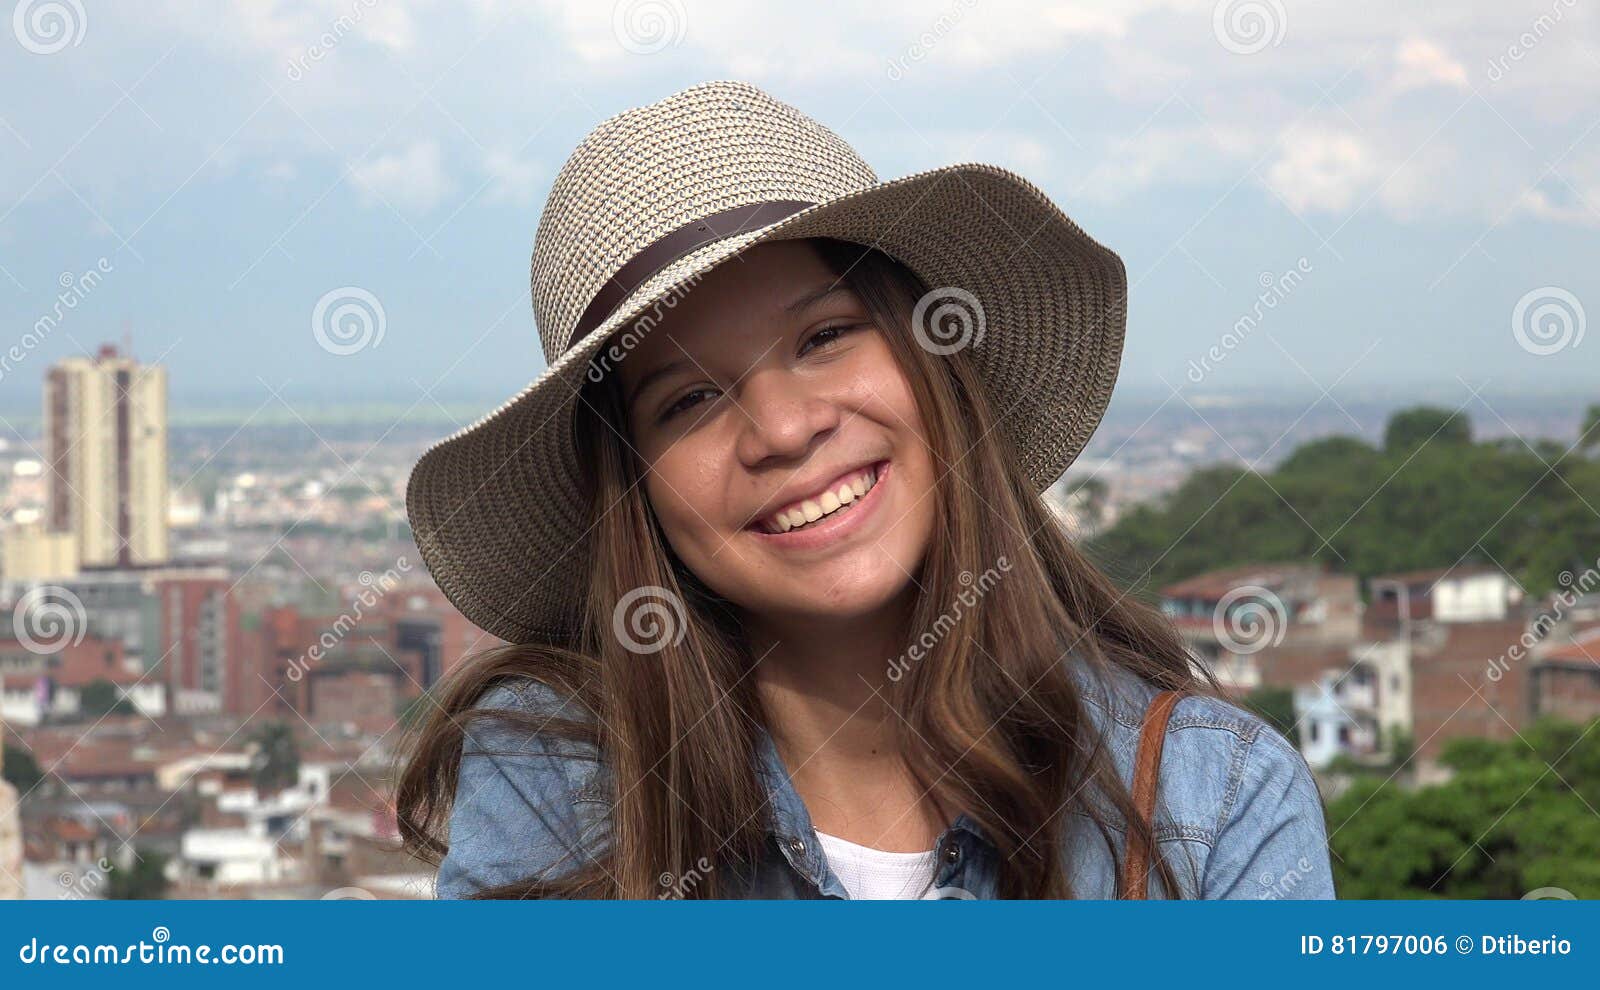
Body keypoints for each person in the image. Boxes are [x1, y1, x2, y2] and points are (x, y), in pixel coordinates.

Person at [397, 79, 1333, 900]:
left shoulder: (1213, 801)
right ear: (634, 490)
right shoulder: (563, 774)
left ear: (936, 356)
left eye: (823, 338)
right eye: (688, 401)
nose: (784, 429)